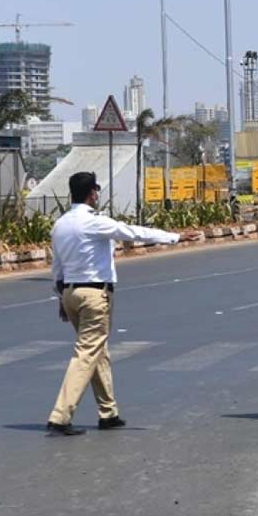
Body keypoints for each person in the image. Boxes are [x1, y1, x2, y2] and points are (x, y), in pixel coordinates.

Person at [47, 172, 201, 436]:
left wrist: (61, 297)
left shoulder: (60, 225)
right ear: (92, 193)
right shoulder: (94, 222)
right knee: (86, 354)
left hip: (70, 293)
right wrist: (175, 237)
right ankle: (60, 417)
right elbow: (132, 232)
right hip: (94, 295)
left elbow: (57, 267)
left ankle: (108, 412)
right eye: (96, 190)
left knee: (97, 352)